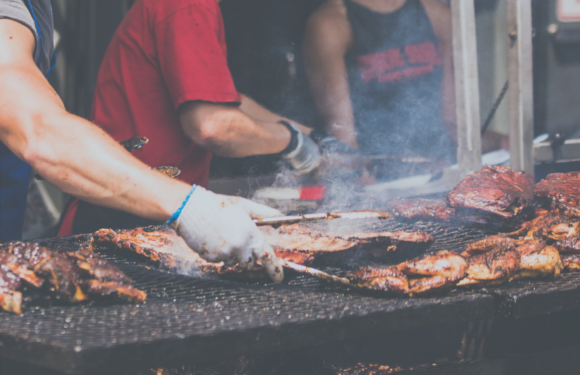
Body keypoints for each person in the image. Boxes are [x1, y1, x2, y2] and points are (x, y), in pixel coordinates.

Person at [0, 0, 291, 282]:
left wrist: (300, 134)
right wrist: (190, 206)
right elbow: (39, 130)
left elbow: (224, 99)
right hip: (124, 217)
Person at [58, 0, 321, 236]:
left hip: (145, 209)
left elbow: (222, 97)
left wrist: (316, 138)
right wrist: (293, 142)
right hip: (127, 218)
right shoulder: (188, 5)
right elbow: (212, 126)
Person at [303, 0, 456, 158]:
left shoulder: (436, 12)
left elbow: (453, 123)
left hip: (441, 167)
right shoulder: (329, 24)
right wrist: (366, 177)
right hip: (376, 172)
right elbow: (345, 145)